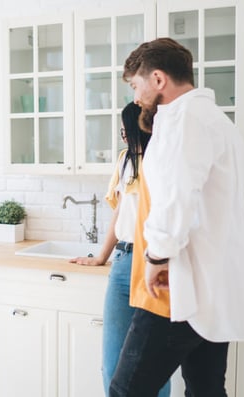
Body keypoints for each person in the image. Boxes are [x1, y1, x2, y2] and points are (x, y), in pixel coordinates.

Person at [109, 38, 244, 397]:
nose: (136, 95)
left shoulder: (183, 120)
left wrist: (156, 257)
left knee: (126, 391)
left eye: (135, 84)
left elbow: (176, 198)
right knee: (205, 390)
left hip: (176, 287)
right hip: (211, 286)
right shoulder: (218, 122)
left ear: (158, 79)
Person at [69, 102, 169, 397]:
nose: (125, 139)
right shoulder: (126, 160)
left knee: (155, 367)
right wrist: (102, 256)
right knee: (112, 365)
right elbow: (121, 211)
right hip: (124, 263)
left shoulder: (164, 161)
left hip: (156, 264)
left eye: (129, 132)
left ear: (148, 128)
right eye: (123, 133)